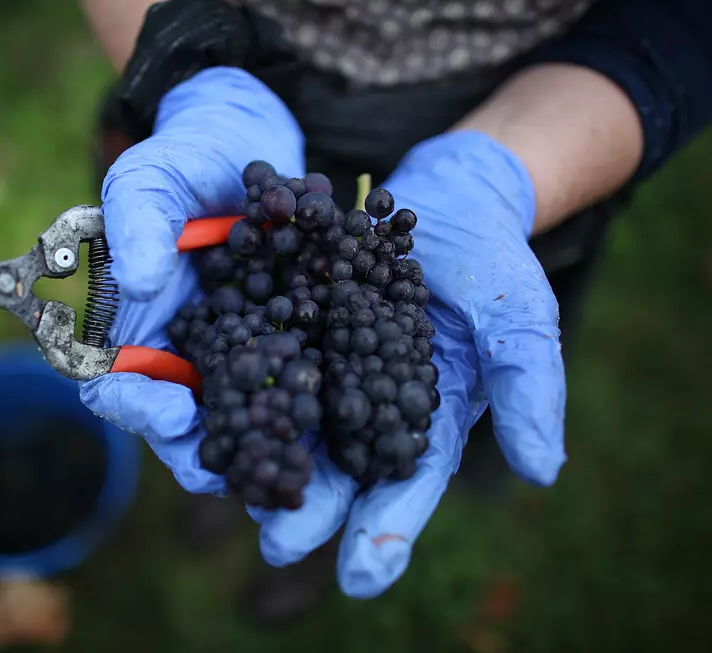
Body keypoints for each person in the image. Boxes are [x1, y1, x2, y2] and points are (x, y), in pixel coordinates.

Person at [77, 0, 712, 626]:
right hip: (221, 100)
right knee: (162, 277)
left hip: (524, 112)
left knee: (381, 416)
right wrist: (198, 80)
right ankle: (241, 478)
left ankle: (310, 549)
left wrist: (505, 170)